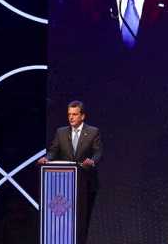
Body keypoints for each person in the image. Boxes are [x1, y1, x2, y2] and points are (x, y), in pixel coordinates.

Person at [38, 101, 102, 244]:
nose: (71, 117)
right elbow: (53, 151)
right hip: (64, 185)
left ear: (82, 116)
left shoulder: (93, 132)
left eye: (74, 114)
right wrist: (47, 158)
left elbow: (98, 152)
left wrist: (92, 161)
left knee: (82, 221)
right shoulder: (61, 132)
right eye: (69, 115)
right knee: (65, 219)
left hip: (86, 184)